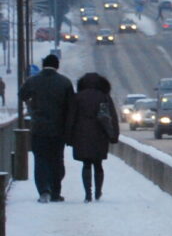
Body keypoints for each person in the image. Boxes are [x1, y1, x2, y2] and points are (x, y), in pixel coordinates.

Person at [19, 52, 74, 202]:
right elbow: (71, 107)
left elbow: (22, 94)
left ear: (43, 65)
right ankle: (56, 191)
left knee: (41, 160)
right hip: (58, 130)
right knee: (57, 160)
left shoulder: (33, 81)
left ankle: (44, 190)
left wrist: (31, 105)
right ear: (57, 66)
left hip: (39, 128)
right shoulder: (65, 82)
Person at [65, 71, 120, 202]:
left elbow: (70, 117)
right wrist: (114, 135)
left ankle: (87, 194)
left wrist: (68, 136)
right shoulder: (104, 96)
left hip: (81, 134)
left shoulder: (78, 97)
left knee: (86, 164)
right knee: (98, 164)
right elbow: (112, 117)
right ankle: (98, 191)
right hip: (100, 135)